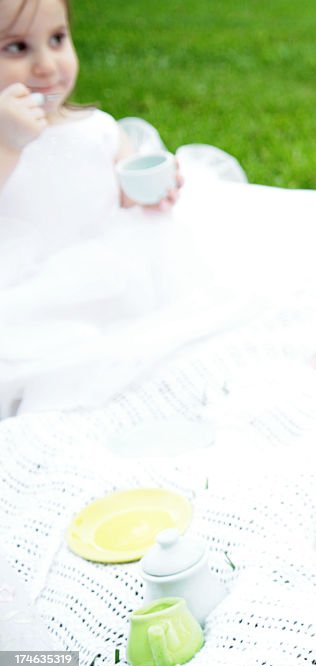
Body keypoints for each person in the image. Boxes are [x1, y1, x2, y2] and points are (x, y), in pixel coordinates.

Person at [0, 0, 203, 417]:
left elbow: (118, 190)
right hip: (23, 295)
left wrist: (151, 190)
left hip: (105, 282)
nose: (46, 65)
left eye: (57, 39)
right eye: (16, 48)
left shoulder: (95, 128)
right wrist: (7, 144)